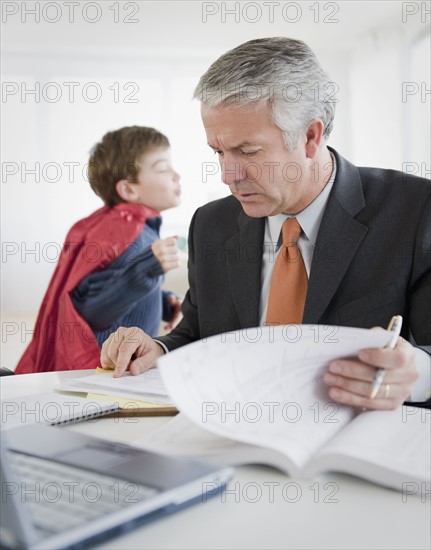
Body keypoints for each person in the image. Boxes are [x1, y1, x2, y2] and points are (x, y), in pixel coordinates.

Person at [101, 38, 431, 411]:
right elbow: (197, 334)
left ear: (310, 136)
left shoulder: (416, 211)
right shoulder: (211, 224)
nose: (228, 175)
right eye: (219, 152)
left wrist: (417, 373)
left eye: (248, 151)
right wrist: (156, 348)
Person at [15, 126, 182, 373]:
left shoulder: (135, 228)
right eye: (162, 168)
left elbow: (117, 286)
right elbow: (88, 308)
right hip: (100, 378)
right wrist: (145, 271)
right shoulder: (127, 232)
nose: (176, 175)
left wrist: (163, 301)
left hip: (114, 374)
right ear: (129, 189)